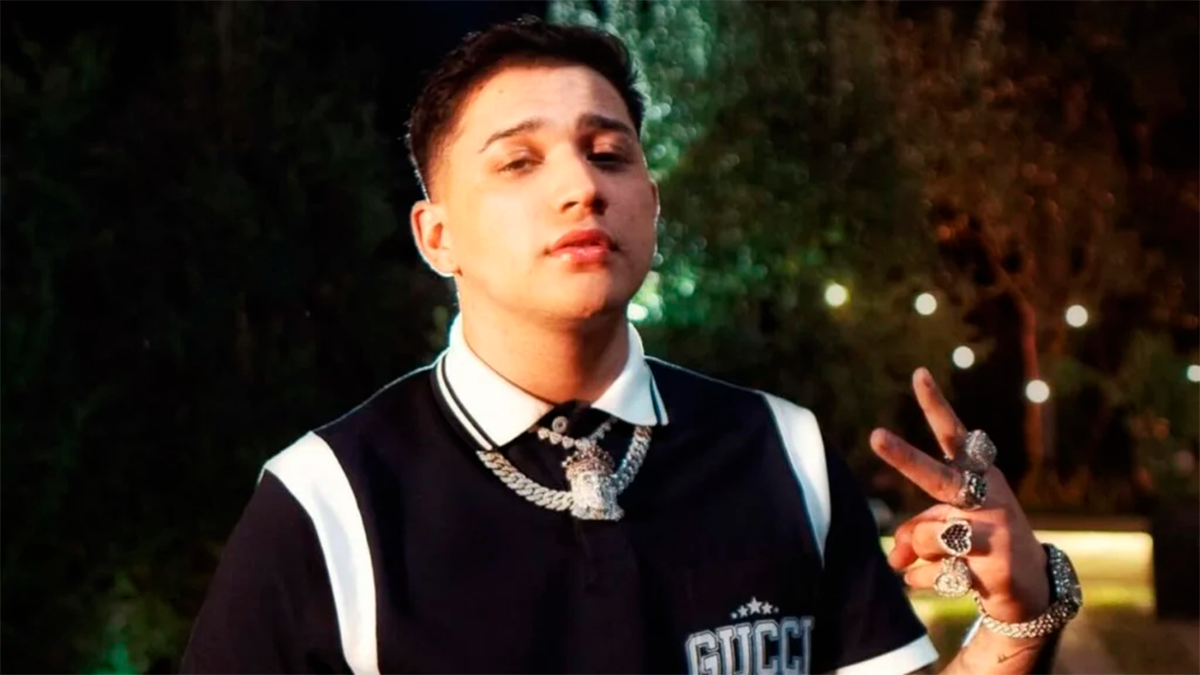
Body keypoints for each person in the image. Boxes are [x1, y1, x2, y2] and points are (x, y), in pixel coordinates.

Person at [181, 17, 1081, 675]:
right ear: (436, 235)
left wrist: (1019, 617)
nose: (581, 184)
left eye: (608, 151)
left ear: (652, 204)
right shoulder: (328, 501)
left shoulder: (783, 451)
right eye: (519, 161)